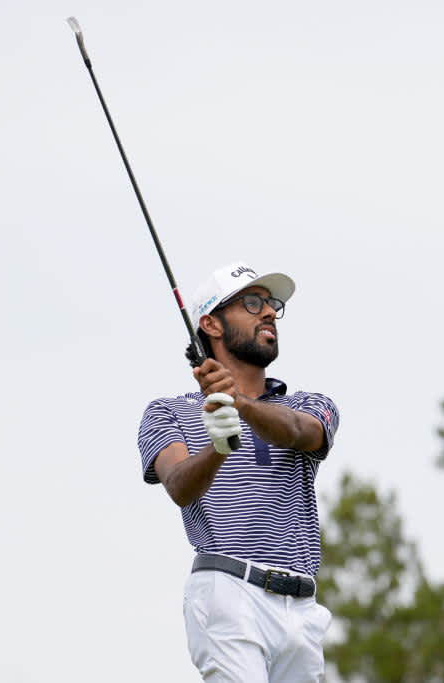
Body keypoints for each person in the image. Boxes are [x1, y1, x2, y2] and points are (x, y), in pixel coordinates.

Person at [137, 261, 339, 683]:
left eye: (272, 305)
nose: (268, 313)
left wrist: (240, 405)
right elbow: (179, 486)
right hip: (228, 592)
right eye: (252, 303)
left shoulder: (309, 402)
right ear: (210, 324)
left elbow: (304, 433)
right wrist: (218, 446)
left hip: (303, 607)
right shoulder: (167, 412)